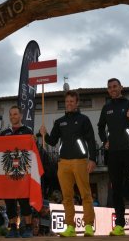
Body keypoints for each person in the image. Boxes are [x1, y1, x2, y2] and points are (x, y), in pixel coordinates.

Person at [40, 90, 97, 237]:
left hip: (80, 161)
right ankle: (70, 226)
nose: (69, 104)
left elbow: (91, 140)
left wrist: (93, 159)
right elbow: (52, 141)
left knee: (85, 194)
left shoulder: (84, 120)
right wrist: (44, 134)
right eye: (67, 102)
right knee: (67, 196)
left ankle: (89, 225)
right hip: (63, 163)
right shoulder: (60, 122)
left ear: (77, 103)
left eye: (72, 101)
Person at [98, 78, 129, 236]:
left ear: (121, 87)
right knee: (116, 190)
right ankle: (119, 225)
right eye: (110, 87)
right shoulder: (106, 108)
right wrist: (105, 141)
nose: (112, 89)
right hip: (113, 154)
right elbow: (100, 127)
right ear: (108, 90)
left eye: (115, 86)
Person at [0, 105, 34, 238]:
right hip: (8, 172)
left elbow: (32, 151)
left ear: (20, 116)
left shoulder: (27, 131)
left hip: (23, 172)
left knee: (24, 200)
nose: (13, 117)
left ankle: (29, 228)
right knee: (9, 201)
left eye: (15, 114)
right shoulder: (4, 133)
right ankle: (13, 228)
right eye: (11, 114)